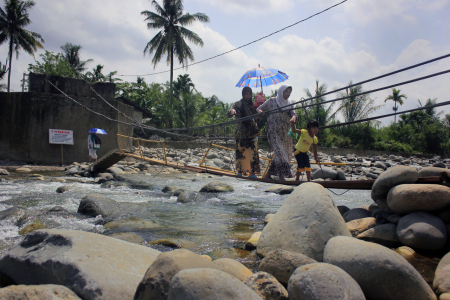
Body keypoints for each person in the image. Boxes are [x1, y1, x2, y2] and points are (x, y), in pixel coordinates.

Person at [257, 85, 297, 180]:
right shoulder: (272, 101)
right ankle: (281, 176)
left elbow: (294, 113)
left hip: (285, 134)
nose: (288, 94)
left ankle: (268, 175)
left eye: (289, 93)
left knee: (281, 153)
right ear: (281, 91)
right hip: (273, 131)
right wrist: (260, 111)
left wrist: (294, 117)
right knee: (279, 152)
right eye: (286, 92)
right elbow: (259, 108)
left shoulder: (290, 103)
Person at [227, 86, 261, 178]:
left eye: (250, 94)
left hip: (251, 132)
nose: (248, 96)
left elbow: (257, 120)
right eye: (246, 94)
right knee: (241, 152)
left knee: (252, 153)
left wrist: (260, 113)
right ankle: (240, 171)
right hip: (241, 132)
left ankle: (252, 173)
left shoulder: (253, 106)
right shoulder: (238, 104)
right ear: (243, 94)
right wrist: (232, 111)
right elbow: (230, 112)